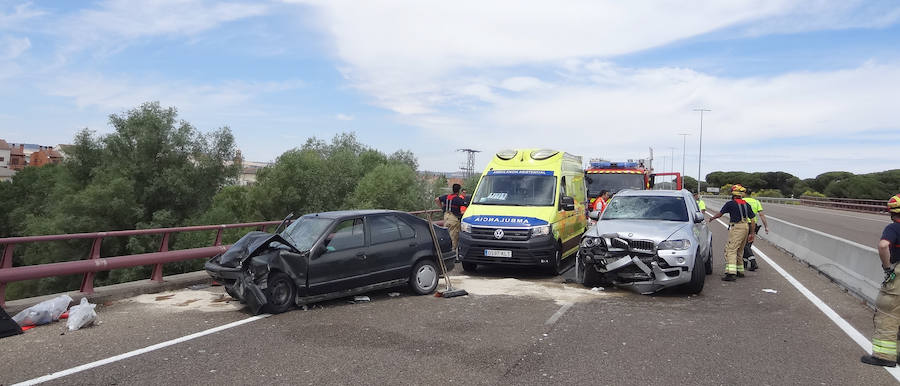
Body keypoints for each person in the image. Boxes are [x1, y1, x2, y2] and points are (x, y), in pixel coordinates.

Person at [861, 194, 900, 367]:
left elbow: (883, 246)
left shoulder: (894, 228)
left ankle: (884, 356)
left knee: (888, 313)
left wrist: (887, 267)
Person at [707, 184, 756, 281]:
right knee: (740, 250)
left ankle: (731, 273)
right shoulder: (746, 204)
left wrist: (712, 218)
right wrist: (752, 233)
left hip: (737, 227)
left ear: (733, 194)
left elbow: (720, 214)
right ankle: (740, 271)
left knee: (731, 250)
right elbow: (753, 220)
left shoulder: (730, 204)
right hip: (746, 227)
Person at [435, 184, 469, 252]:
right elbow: (467, 204)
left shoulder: (446, 196)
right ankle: (452, 253)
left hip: (446, 217)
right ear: (459, 191)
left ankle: (444, 251)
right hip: (453, 218)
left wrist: (442, 208)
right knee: (454, 236)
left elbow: (437, 199)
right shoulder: (458, 199)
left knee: (447, 234)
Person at [742, 188, 769, 271]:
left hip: (744, 224)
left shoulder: (741, 201)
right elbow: (761, 215)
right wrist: (766, 226)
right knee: (748, 245)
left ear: (745, 193)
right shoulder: (756, 202)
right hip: (754, 225)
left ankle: (753, 262)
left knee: (745, 245)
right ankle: (744, 263)